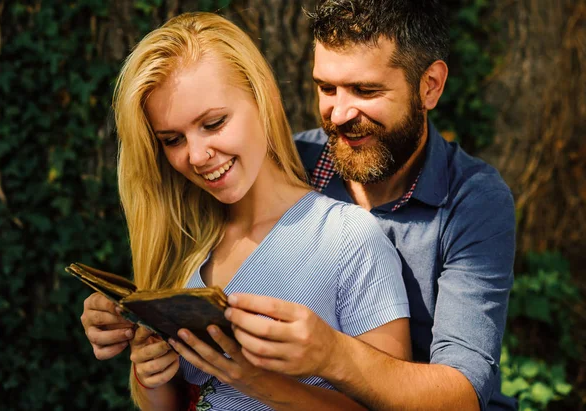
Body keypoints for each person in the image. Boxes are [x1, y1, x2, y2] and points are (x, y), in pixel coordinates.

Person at [82, 11, 411, 411]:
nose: (197, 155)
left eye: (213, 123)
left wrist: (256, 381)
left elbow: (392, 405)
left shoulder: (348, 239)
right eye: (172, 139)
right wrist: (149, 374)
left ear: (263, 98)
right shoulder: (187, 243)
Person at [220, 1, 517, 410]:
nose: (339, 114)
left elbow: (462, 395)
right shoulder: (285, 166)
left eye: (366, 90)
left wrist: (331, 353)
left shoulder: (472, 199)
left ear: (429, 85)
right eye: (326, 88)